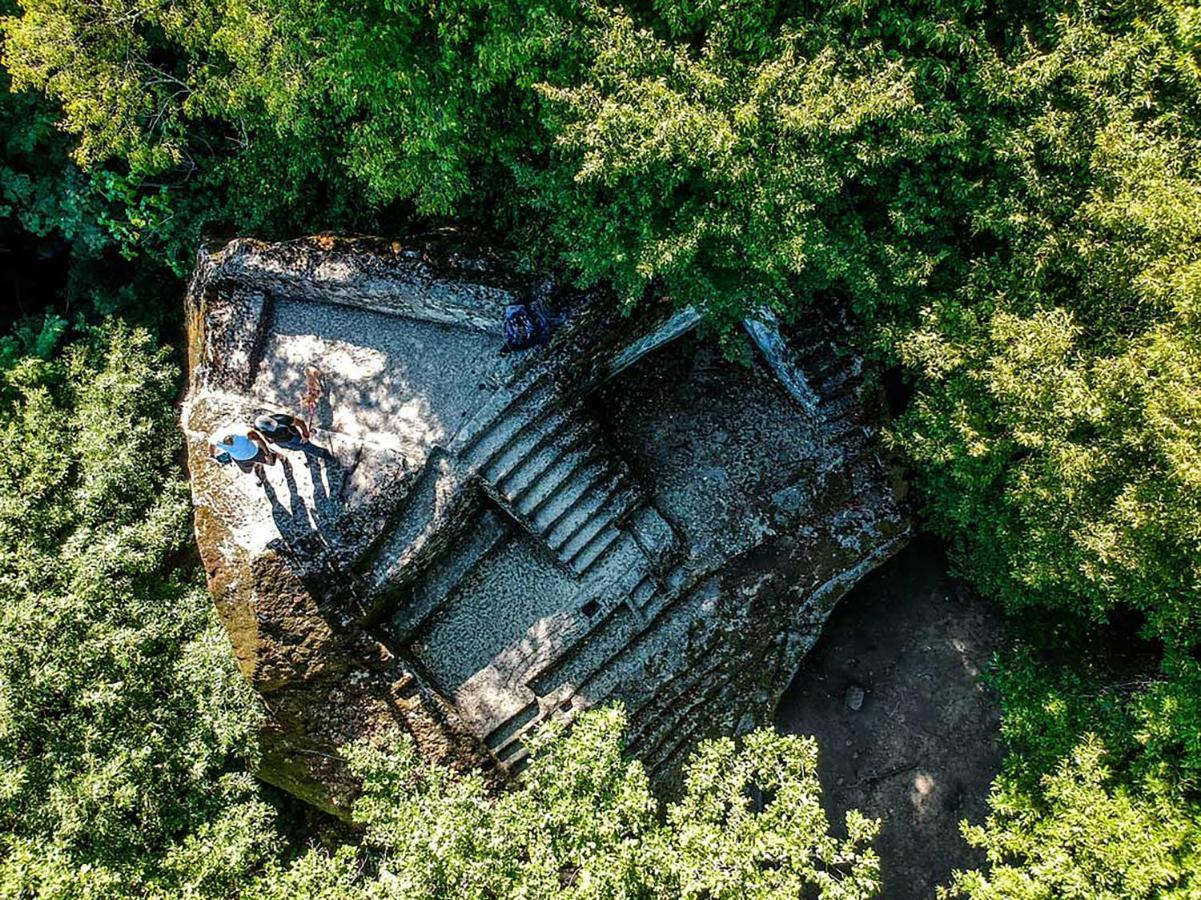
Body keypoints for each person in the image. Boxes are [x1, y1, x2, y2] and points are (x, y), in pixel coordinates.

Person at [209, 427, 277, 485]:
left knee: (272, 462)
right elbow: (211, 444)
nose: (230, 443)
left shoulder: (242, 432)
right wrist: (212, 455)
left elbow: (258, 439)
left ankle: (280, 456)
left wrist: (267, 453)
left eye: (230, 439)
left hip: (255, 452)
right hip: (241, 460)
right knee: (247, 471)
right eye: (226, 443)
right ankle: (258, 467)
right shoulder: (217, 440)